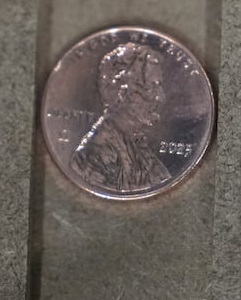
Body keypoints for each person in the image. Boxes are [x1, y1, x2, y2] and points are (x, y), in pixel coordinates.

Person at [71, 42, 171, 192]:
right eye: (150, 87)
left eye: (159, 86)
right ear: (120, 92)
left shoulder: (136, 144)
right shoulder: (95, 155)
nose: (161, 97)